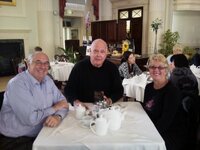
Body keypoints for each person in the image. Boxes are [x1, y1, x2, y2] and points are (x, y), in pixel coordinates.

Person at [0, 52, 69, 150]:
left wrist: (58, 116)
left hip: (43, 132)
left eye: (46, 63)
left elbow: (64, 103)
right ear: (28, 64)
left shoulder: (48, 80)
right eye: (38, 62)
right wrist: (55, 107)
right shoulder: (17, 84)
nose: (43, 66)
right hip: (16, 139)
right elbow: (31, 119)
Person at [142, 53, 190, 150]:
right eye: (152, 67)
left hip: (169, 134)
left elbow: (165, 122)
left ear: (166, 69)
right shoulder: (148, 87)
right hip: (152, 127)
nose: (156, 70)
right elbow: (146, 110)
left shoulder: (172, 91)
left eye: (160, 67)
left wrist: (146, 134)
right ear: (149, 69)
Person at [64, 39, 123, 107]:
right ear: (90, 52)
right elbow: (69, 90)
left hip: (106, 108)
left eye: (102, 52)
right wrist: (76, 102)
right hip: (83, 107)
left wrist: (110, 100)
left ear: (106, 54)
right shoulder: (79, 67)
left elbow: (119, 90)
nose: (98, 55)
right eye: (95, 51)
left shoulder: (112, 68)